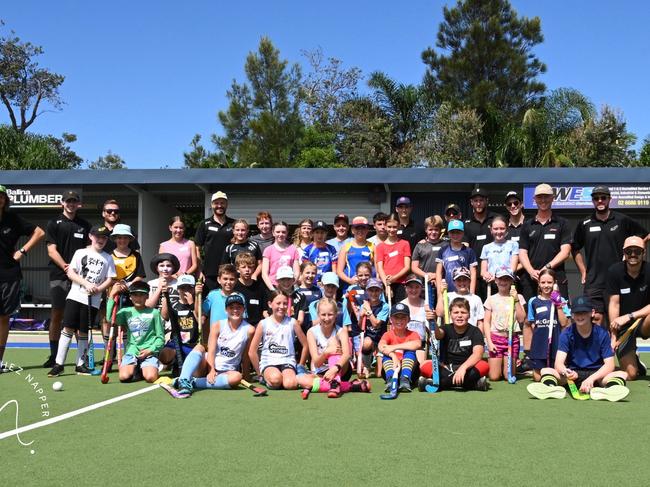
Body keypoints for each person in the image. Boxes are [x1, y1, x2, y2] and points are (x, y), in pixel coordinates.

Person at [527, 295, 630, 402]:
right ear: (572, 314)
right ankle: (551, 389)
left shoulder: (602, 333)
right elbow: (558, 364)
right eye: (577, 313)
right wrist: (566, 372)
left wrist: (591, 379)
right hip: (573, 375)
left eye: (584, 312)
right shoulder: (566, 334)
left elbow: (610, 365)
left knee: (622, 374)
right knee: (546, 370)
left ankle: (608, 391)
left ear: (592, 312)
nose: (580, 316)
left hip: (596, 375)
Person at [572, 186, 649, 324]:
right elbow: (575, 248)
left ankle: (617, 345)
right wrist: (583, 271)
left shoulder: (622, 220)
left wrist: (633, 253)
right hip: (593, 281)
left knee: (616, 321)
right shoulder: (585, 223)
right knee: (595, 319)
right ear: (593, 201)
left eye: (603, 198)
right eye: (596, 198)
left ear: (609, 199)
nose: (600, 201)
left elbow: (646, 235)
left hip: (618, 278)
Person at [47, 225, 116, 377]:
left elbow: (110, 278)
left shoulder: (108, 257)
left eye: (104, 237)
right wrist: (85, 283)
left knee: (84, 331)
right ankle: (59, 364)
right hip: (75, 296)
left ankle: (80, 364)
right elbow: (71, 272)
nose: (101, 240)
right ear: (91, 236)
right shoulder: (80, 252)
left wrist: (99, 289)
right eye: (98, 236)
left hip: (93, 300)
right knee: (68, 328)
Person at [43, 190, 91, 368]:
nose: (71, 204)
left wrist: (79, 272)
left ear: (79, 204)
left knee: (79, 318)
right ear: (62, 203)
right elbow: (51, 250)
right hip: (59, 276)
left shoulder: (85, 225)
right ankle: (54, 356)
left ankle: (82, 359)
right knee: (57, 313)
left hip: (79, 278)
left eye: (74, 201)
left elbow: (89, 251)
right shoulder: (53, 223)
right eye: (68, 201)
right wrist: (65, 266)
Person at [0, 185, 44, 371]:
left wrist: (22, 250)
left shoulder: (13, 219)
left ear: (5, 200)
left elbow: (40, 232)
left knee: (3, 319)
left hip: (9, 276)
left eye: (2, 196)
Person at [173, 293, 254, 396]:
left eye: (238, 307)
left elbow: (245, 355)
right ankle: (184, 380)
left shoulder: (250, 330)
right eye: (231, 307)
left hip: (227, 372)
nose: (235, 310)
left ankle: (193, 382)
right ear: (226, 310)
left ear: (243, 309)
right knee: (200, 347)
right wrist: (211, 370)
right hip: (207, 366)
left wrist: (246, 375)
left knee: (237, 377)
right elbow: (211, 350)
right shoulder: (218, 325)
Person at [299, 298, 371, 398]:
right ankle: (351, 386)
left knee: (333, 341)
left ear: (336, 314)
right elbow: (316, 362)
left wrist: (334, 369)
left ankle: (335, 383)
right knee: (301, 380)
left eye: (330, 314)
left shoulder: (341, 331)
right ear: (318, 314)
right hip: (321, 371)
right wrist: (326, 352)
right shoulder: (311, 332)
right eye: (323, 315)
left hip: (341, 368)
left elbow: (346, 355)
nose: (327, 318)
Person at [419, 297, 489, 392]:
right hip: (446, 368)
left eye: (463, 312)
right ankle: (472, 384)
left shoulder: (475, 331)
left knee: (484, 366)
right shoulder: (446, 328)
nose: (459, 315)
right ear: (450, 315)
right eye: (456, 312)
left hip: (468, 369)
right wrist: (432, 321)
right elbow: (438, 334)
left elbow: (478, 354)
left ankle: (439, 384)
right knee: (424, 365)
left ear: (469, 315)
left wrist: (462, 369)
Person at [518, 183, 572, 301]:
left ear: (553, 198)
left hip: (556, 278)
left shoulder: (562, 223)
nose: (543, 200)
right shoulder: (527, 225)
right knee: (530, 317)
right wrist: (531, 271)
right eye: (540, 197)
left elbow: (565, 252)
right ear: (534, 199)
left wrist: (547, 268)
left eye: (546, 196)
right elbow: (522, 252)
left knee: (561, 314)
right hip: (531, 279)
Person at [606, 236, 650, 380]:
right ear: (623, 253)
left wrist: (630, 315)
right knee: (631, 375)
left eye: (637, 251)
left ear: (644, 252)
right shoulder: (614, 271)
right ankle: (634, 363)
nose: (632, 254)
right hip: (624, 327)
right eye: (628, 251)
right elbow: (614, 304)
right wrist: (613, 336)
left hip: (643, 321)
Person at [249, 291, 308, 390]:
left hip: (287, 361)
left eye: (285, 303)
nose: (282, 306)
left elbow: (306, 345)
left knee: (291, 384)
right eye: (278, 303)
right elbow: (252, 351)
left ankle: (288, 376)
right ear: (270, 304)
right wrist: (259, 373)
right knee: (275, 380)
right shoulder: (263, 323)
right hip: (269, 362)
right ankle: (265, 378)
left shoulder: (293, 322)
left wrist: (301, 365)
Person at [105, 224, 146, 359]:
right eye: (119, 238)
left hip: (130, 295)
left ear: (130, 239)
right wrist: (115, 285)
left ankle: (129, 356)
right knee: (109, 323)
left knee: (129, 325)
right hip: (111, 294)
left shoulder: (136, 255)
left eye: (125, 238)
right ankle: (109, 357)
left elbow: (140, 275)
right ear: (115, 239)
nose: (122, 240)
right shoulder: (108, 256)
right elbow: (105, 276)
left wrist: (128, 285)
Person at [525, 269, 570, 382]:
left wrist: (558, 305)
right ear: (539, 283)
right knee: (538, 378)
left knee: (557, 376)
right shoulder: (533, 301)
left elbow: (564, 323)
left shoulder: (562, 300)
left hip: (556, 342)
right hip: (539, 344)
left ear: (554, 283)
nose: (546, 285)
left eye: (549, 282)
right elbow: (532, 323)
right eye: (543, 282)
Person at [115, 281, 164, 383]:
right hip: (132, 351)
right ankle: (136, 367)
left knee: (150, 378)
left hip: (149, 352)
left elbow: (160, 338)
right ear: (130, 297)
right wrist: (111, 296)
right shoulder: (125, 312)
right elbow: (111, 319)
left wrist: (150, 350)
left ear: (147, 296)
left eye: (142, 295)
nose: (138, 298)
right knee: (124, 377)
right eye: (135, 295)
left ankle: (144, 368)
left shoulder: (154, 313)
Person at [483, 269, 526, 381]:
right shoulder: (491, 299)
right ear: (496, 280)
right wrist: (489, 342)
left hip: (512, 339)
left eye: (507, 279)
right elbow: (486, 322)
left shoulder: (519, 297)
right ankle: (498, 364)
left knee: (508, 376)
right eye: (500, 279)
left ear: (512, 281)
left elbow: (521, 319)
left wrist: (516, 300)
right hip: (496, 339)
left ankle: (507, 364)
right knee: (494, 377)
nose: (503, 281)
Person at [159, 274, 203, 371]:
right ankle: (175, 360)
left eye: (189, 288)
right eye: (183, 288)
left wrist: (192, 303)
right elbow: (164, 316)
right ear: (178, 289)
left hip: (192, 344)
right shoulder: (174, 304)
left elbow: (200, 322)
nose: (186, 291)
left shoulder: (198, 302)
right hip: (176, 342)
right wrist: (165, 296)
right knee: (164, 355)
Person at [194, 191, 234, 293]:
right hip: (209, 273)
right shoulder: (204, 224)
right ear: (212, 205)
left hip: (229, 273)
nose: (219, 206)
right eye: (216, 203)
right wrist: (199, 271)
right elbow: (197, 248)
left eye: (222, 203)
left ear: (226, 205)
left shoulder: (233, 224)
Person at [464, 187, 498, 300]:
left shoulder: (495, 219)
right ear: (471, 202)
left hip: (494, 274)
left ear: (487, 201)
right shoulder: (467, 223)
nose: (478, 203)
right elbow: (465, 248)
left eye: (481, 200)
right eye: (476, 201)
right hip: (475, 274)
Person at [377, 303, 420, 392]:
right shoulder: (388, 334)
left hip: (410, 371)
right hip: (391, 368)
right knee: (386, 355)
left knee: (410, 352)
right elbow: (381, 346)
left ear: (409, 319)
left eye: (403, 317)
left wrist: (393, 347)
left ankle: (405, 379)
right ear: (391, 319)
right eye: (396, 317)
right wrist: (393, 356)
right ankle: (391, 380)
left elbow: (417, 344)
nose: (400, 320)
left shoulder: (413, 334)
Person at [376, 213, 411, 303]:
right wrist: (387, 285)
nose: (392, 230)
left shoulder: (405, 243)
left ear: (399, 226)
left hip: (401, 284)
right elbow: (380, 268)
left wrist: (394, 278)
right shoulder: (380, 246)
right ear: (385, 226)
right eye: (389, 227)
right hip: (386, 284)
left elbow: (407, 267)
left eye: (394, 227)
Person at [480, 215, 519, 296]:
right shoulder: (486, 247)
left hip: (508, 284)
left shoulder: (513, 244)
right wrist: (486, 275)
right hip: (492, 286)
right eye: (495, 229)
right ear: (491, 230)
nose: (499, 231)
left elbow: (513, 268)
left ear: (507, 230)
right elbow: (483, 271)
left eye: (502, 228)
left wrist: (498, 278)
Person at [436, 219, 477, 294]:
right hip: (447, 293)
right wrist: (439, 294)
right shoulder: (442, 250)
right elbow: (438, 273)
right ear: (448, 233)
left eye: (458, 232)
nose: (455, 235)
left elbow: (473, 273)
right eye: (452, 232)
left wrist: (472, 294)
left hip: (465, 292)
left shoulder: (469, 251)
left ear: (463, 233)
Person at [411, 215, 444, 303]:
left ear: (440, 230)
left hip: (441, 284)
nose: (433, 232)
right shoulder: (420, 246)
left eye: (436, 230)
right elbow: (414, 267)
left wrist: (437, 276)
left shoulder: (446, 245)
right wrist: (427, 275)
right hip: (423, 285)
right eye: (430, 229)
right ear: (426, 230)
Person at [337, 216, 375, 290]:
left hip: (368, 288)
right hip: (349, 287)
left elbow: (377, 269)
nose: (360, 231)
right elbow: (339, 271)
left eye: (363, 228)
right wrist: (350, 281)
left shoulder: (373, 247)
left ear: (367, 230)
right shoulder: (345, 247)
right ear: (352, 230)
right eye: (357, 228)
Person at [202, 264, 245, 329]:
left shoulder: (239, 296)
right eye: (225, 279)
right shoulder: (212, 295)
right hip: (216, 335)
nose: (228, 282)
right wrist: (197, 296)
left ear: (236, 280)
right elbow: (202, 313)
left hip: (234, 335)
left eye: (231, 279)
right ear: (219, 280)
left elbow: (243, 318)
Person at [400, 274, 429, 365]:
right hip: (404, 344)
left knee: (420, 365)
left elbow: (430, 330)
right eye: (410, 287)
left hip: (421, 345)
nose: (413, 290)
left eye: (417, 287)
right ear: (405, 288)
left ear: (421, 288)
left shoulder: (426, 305)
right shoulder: (400, 306)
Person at [261, 221, 300, 290]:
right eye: (278, 232)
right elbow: (264, 273)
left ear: (287, 233)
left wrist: (290, 286)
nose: (280, 234)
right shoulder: (268, 250)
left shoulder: (293, 249)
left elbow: (296, 272)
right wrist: (272, 289)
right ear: (273, 233)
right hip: (273, 286)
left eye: (283, 232)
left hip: (289, 287)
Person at [234, 252, 267, 328]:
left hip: (256, 326)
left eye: (250, 267)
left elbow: (264, 310)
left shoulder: (259, 287)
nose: (247, 270)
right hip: (238, 326)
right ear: (237, 269)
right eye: (243, 267)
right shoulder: (233, 286)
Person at [296, 261, 323, 329]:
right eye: (307, 273)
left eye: (313, 273)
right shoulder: (296, 292)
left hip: (316, 327)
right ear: (301, 273)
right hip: (301, 327)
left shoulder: (318, 291)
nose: (310, 276)